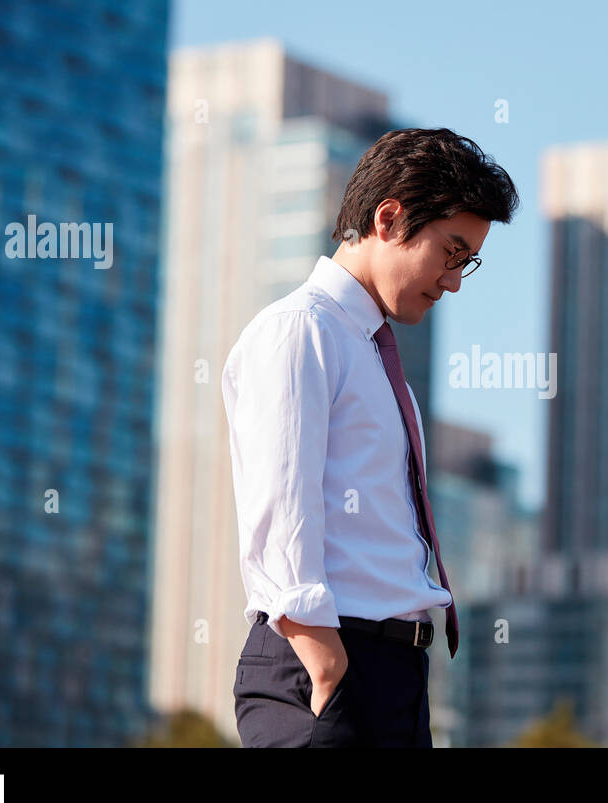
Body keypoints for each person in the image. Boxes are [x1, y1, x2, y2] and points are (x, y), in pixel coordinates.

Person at [221, 127, 519, 747]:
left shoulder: (378, 360)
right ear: (390, 218)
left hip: (396, 677)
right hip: (325, 669)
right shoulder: (300, 332)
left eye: (469, 262)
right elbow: (280, 508)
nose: (455, 280)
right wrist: (327, 662)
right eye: (451, 251)